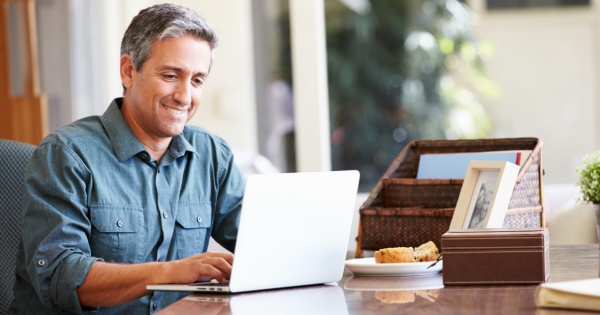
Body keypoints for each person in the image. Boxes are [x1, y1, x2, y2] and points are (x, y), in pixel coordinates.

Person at [10, 4, 245, 314]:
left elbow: (262, 244)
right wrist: (170, 272)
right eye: (171, 75)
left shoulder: (213, 156)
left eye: (197, 81)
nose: (185, 96)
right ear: (128, 70)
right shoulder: (67, 154)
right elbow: (59, 275)